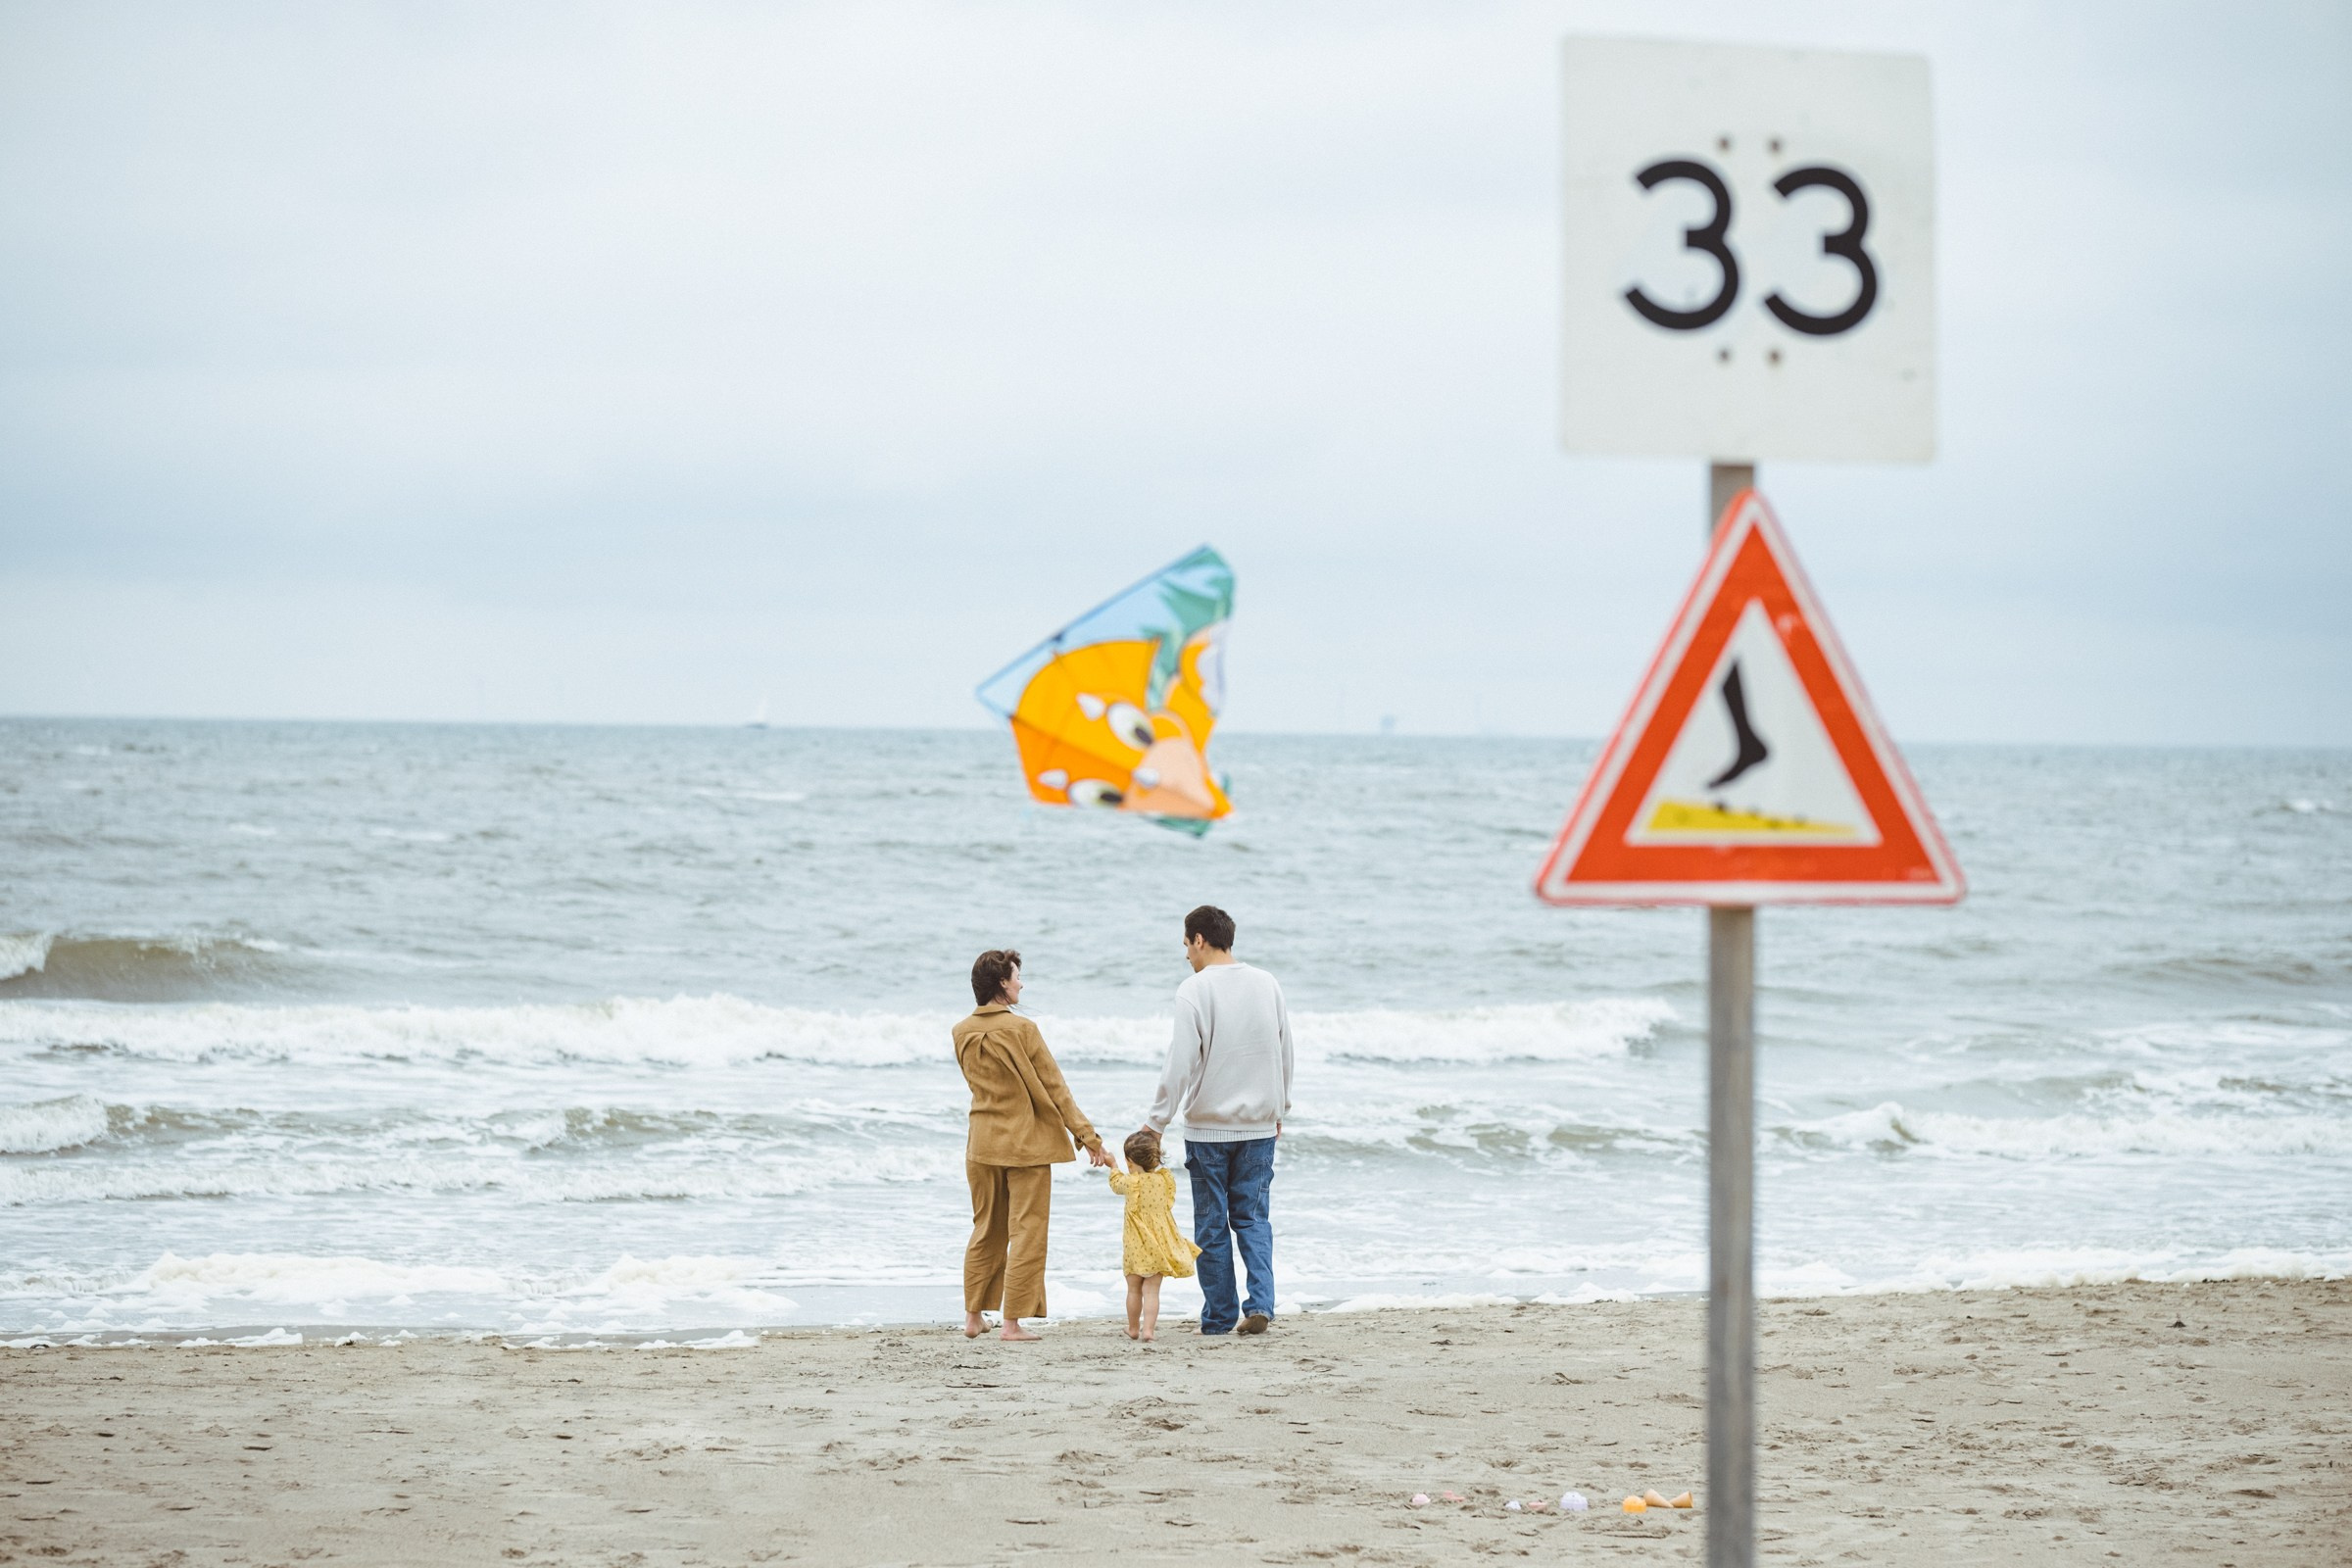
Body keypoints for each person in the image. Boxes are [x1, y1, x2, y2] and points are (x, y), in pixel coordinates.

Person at [1141, 905, 1293, 1336]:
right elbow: (1285, 1050)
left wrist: (1157, 1121)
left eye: (1187, 946)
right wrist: (1279, 1107)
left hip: (1208, 1129)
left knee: (1211, 1223)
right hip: (1260, 1126)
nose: (1187, 955)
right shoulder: (1267, 983)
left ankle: (1220, 1317)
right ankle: (1260, 1303)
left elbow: (1181, 1061)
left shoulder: (1195, 988)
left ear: (1200, 940)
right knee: (1253, 1218)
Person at [953, 949, 1112, 1342]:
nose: (1021, 983)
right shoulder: (1023, 1030)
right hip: (1025, 1147)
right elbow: (1056, 1088)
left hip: (981, 1144)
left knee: (986, 1229)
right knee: (1027, 1230)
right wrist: (1089, 1139)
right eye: (1017, 977)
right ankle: (1012, 1323)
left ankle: (974, 1318)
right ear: (1003, 985)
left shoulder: (961, 1031)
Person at [1105, 1127, 1200, 1343]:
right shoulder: (1164, 1180)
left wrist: (1112, 1165)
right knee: (1151, 1291)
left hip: (1135, 1246)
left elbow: (1115, 1183)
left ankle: (1133, 1328)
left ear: (1129, 1162)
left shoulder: (1131, 1182)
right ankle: (1149, 1330)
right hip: (1158, 1246)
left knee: (1133, 1290)